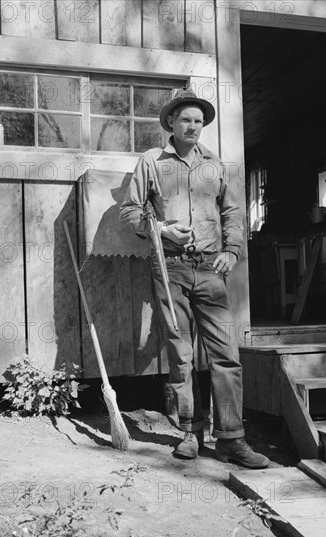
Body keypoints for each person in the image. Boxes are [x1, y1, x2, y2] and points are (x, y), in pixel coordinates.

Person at [120, 86, 269, 469]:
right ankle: (190, 431)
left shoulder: (214, 166)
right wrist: (162, 231)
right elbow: (131, 212)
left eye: (199, 121)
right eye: (186, 119)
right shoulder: (151, 162)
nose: (193, 126)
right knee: (181, 354)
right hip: (169, 266)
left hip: (209, 268)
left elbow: (234, 214)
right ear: (171, 122)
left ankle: (232, 439)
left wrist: (231, 251)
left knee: (225, 354)